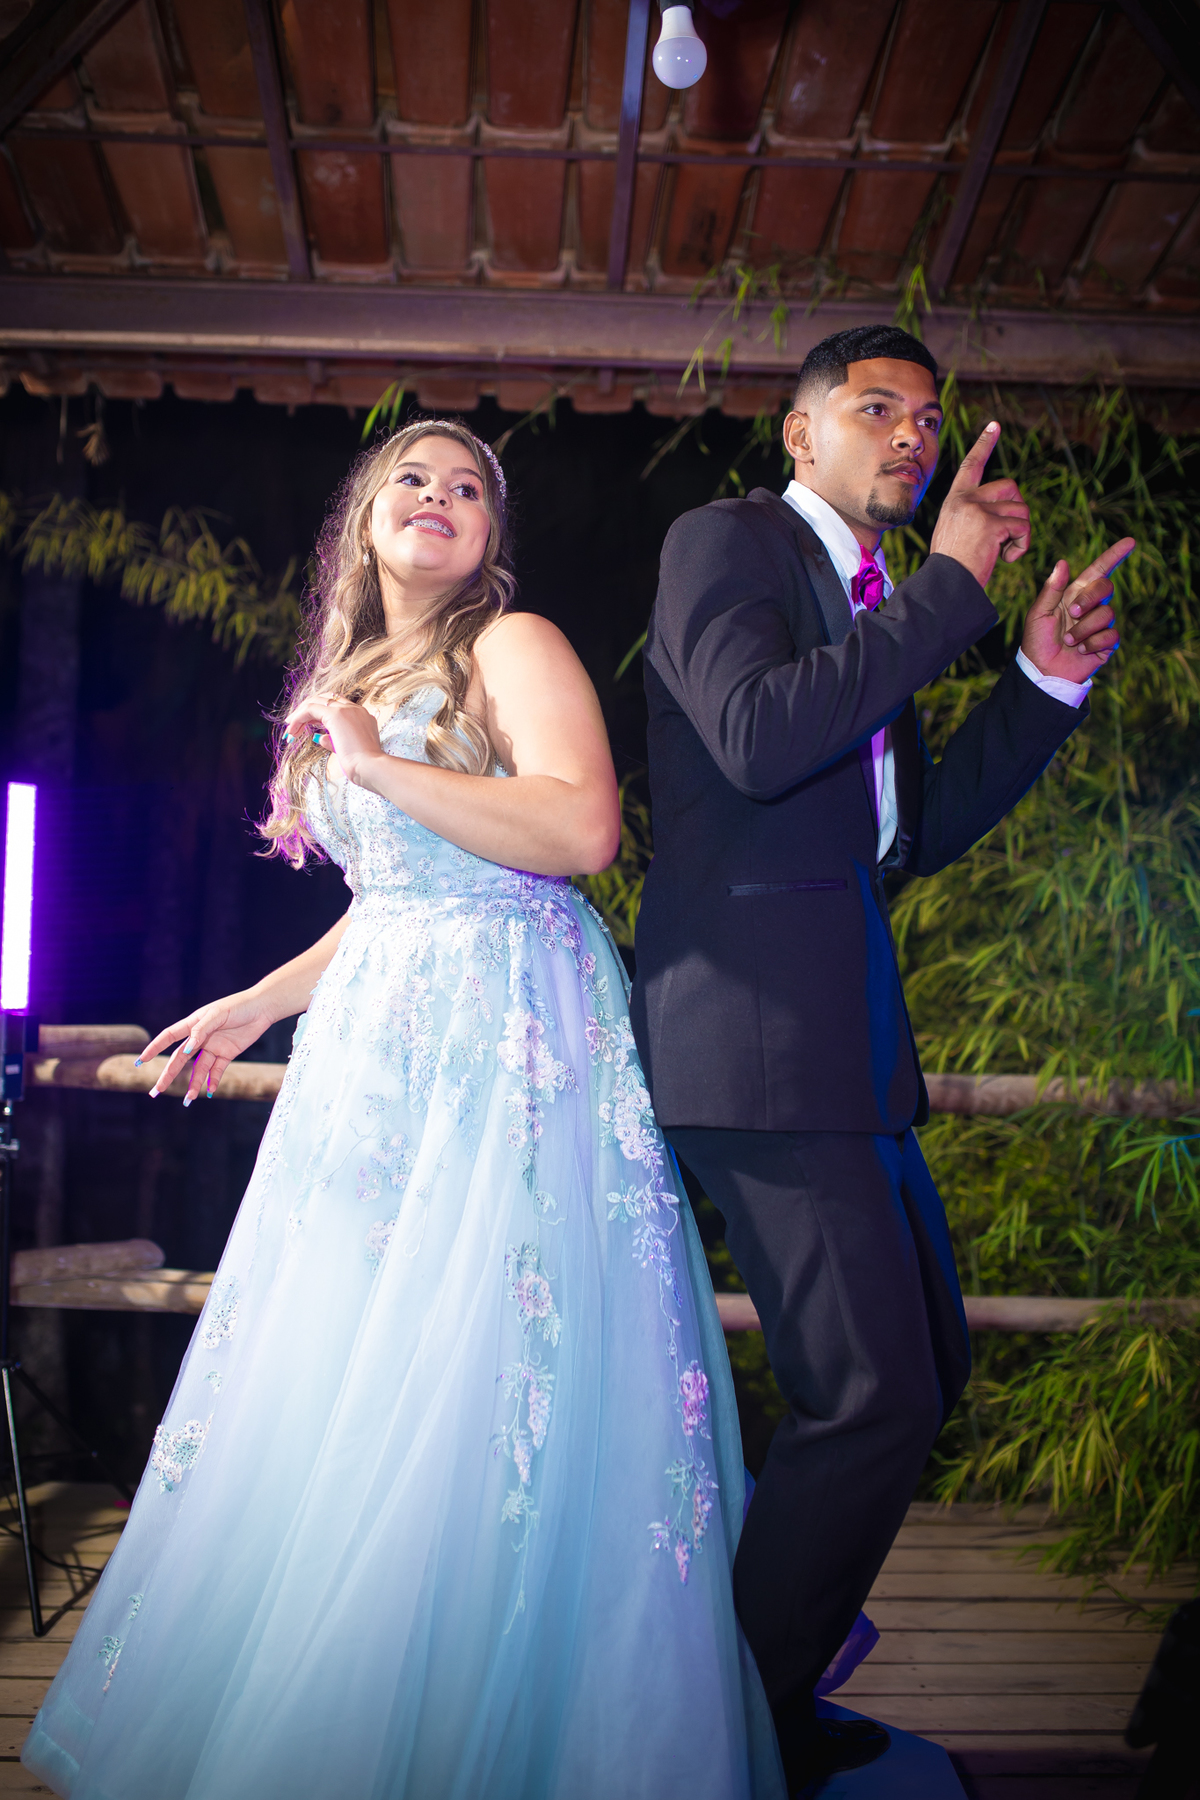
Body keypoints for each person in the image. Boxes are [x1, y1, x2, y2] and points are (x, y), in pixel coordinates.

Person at [23, 420, 787, 1800]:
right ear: (363, 522)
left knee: (490, 1351)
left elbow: (579, 832)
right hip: (377, 1056)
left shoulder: (514, 646)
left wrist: (375, 767)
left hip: (511, 1037)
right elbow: (391, 899)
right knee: (361, 1361)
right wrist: (258, 1002)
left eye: (468, 486)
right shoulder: (349, 677)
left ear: (491, 535)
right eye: (411, 481)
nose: (439, 496)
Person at [630, 325, 1133, 1795]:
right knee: (871, 1397)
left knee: (922, 1370)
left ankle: (758, 1687)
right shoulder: (728, 544)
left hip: (844, 1048)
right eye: (876, 409)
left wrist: (1037, 679)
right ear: (800, 437)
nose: (914, 434)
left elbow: (904, 835)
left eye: (927, 414)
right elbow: (752, 734)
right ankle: (738, 1728)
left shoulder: (867, 601)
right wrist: (952, 591)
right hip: (754, 1042)